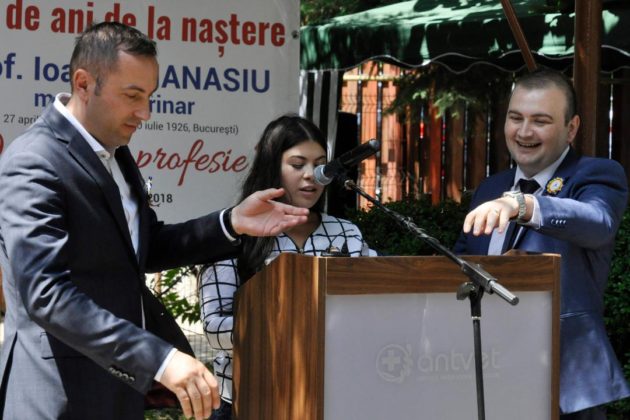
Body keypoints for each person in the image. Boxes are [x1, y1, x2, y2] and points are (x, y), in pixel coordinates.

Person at [0, 22, 309, 420]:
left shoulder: (117, 155)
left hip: (118, 392)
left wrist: (231, 222)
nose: (144, 113)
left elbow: (145, 247)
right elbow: (46, 294)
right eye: (133, 96)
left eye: (149, 97)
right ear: (83, 84)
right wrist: (159, 359)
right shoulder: (34, 161)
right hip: (56, 397)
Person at [454, 68, 630, 418]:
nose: (524, 132)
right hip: (488, 370)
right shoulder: (491, 187)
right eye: (515, 118)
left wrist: (523, 205)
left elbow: (598, 222)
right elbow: (460, 263)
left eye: (540, 121)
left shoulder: (596, 174)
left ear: (571, 128)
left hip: (565, 382)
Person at [198, 115, 374, 419]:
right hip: (248, 401)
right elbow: (214, 330)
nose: (312, 176)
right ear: (271, 167)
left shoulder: (347, 233)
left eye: (320, 164)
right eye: (297, 164)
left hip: (331, 398)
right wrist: (283, 327)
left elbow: (370, 309)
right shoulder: (236, 233)